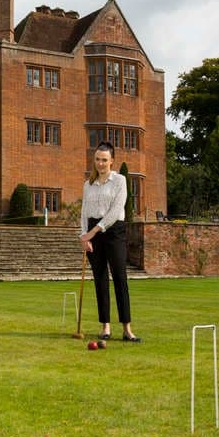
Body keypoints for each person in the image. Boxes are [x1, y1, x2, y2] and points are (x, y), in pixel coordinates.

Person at [79, 141, 141, 343]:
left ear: (112, 161)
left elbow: (116, 212)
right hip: (93, 233)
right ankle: (105, 327)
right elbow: (84, 213)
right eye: (97, 159)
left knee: (120, 279)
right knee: (100, 280)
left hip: (114, 231)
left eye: (104, 160)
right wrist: (84, 236)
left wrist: (94, 232)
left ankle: (127, 329)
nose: (100, 163)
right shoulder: (88, 185)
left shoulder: (120, 181)